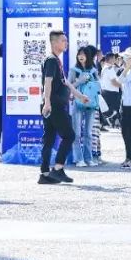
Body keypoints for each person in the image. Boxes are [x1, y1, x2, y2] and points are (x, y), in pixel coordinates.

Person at [39, 31, 89, 183]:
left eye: (66, 41)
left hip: (52, 105)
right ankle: (58, 169)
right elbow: (47, 82)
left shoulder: (56, 61)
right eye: (63, 41)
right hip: (54, 106)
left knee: (49, 139)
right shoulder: (51, 60)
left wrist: (80, 96)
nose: (66, 43)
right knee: (69, 136)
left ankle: (45, 174)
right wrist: (47, 102)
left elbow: (66, 82)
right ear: (54, 43)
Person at [69, 47, 101, 167]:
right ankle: (79, 159)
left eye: (83, 54)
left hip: (90, 103)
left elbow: (98, 86)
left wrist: (92, 81)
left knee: (88, 132)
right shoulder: (74, 70)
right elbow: (69, 85)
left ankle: (88, 158)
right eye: (79, 54)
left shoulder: (93, 70)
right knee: (76, 132)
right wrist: (80, 81)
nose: (81, 56)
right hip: (77, 103)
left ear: (88, 56)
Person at [100, 53, 121, 128]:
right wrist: (123, 86)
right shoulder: (110, 68)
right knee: (112, 111)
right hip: (111, 93)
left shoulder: (105, 67)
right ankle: (108, 121)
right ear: (111, 59)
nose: (115, 60)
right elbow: (114, 82)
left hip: (106, 92)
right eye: (114, 58)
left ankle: (106, 122)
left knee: (108, 110)